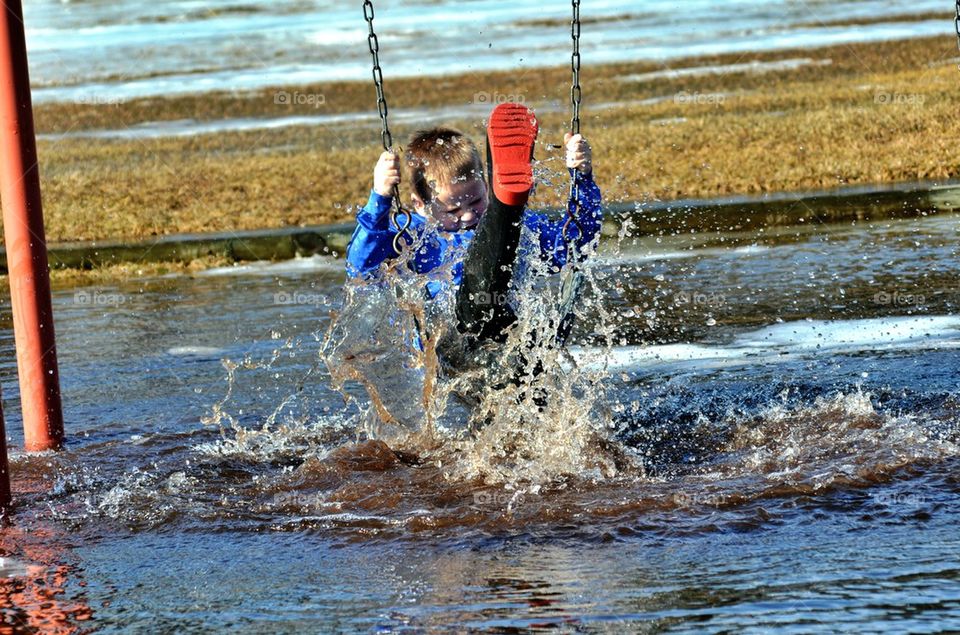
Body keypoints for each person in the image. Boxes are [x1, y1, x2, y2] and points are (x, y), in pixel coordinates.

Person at [345, 102, 602, 349]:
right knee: (474, 305)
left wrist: (582, 177)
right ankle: (507, 203)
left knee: (506, 236)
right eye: (452, 210)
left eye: (477, 200)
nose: (468, 216)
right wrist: (379, 198)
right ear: (420, 205)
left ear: (486, 186)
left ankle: (507, 201)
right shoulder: (411, 234)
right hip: (446, 348)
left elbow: (576, 244)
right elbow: (360, 267)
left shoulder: (523, 229)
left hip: (509, 340)